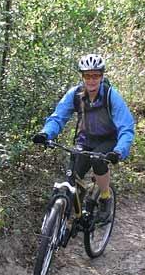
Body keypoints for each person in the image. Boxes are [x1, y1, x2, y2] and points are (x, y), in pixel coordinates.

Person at [33, 53, 135, 220]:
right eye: (87, 76)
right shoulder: (75, 94)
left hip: (108, 141)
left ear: (102, 76)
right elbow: (58, 117)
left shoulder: (111, 96)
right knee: (73, 175)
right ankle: (69, 217)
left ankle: (105, 197)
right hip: (84, 140)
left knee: (98, 160)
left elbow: (126, 126)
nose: (91, 80)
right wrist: (46, 133)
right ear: (82, 77)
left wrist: (119, 151)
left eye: (95, 76)